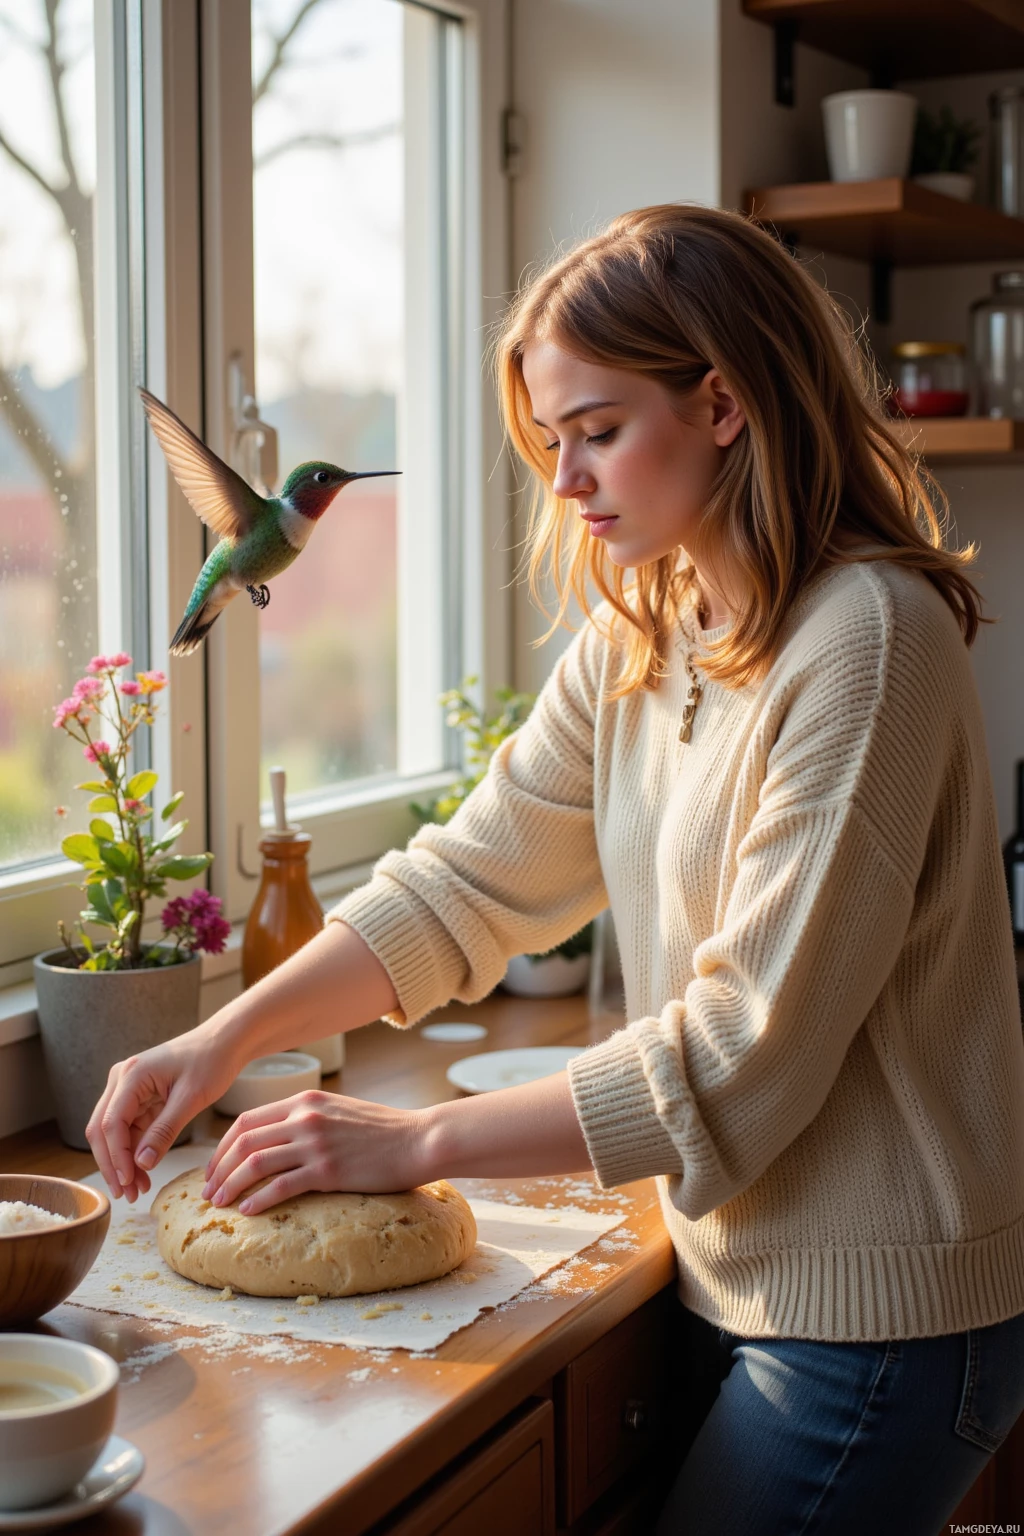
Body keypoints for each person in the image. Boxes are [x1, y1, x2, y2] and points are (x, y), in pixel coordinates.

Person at [87, 204, 1024, 1533]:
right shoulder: (648, 626)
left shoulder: (867, 642)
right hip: (728, 1273)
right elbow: (471, 878)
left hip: (883, 1322)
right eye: (550, 443)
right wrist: (220, 1041)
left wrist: (411, 1140)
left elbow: (739, 1057)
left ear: (723, 403)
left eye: (596, 432)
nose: (567, 482)